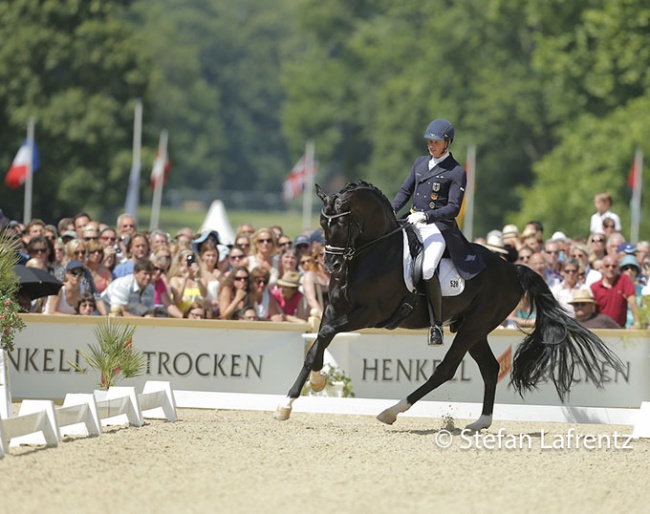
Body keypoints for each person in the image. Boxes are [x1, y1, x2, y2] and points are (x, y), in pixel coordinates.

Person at [391, 119, 484, 345]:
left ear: (448, 143)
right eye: (430, 141)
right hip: (412, 219)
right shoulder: (420, 163)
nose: (431, 145)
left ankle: (435, 324)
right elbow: (405, 191)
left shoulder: (456, 172)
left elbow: (453, 208)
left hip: (438, 226)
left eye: (436, 141)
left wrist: (427, 216)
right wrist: (390, 211)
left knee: (428, 267)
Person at [590, 254, 641, 328]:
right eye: (607, 266)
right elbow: (591, 311)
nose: (610, 268)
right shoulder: (594, 287)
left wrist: (637, 324)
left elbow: (632, 301)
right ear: (602, 268)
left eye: (614, 266)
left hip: (619, 329)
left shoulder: (624, 280)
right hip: (600, 329)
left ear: (618, 268)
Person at [168, 248, 208, 314]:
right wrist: (185, 279)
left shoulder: (202, 280)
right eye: (187, 260)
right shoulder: (175, 280)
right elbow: (177, 300)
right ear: (180, 263)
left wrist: (197, 277)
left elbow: (204, 294)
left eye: (192, 260)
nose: (190, 263)